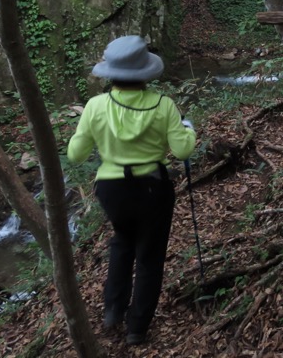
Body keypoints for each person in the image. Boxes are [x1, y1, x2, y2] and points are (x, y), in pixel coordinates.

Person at [67, 35, 196, 346]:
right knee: (149, 257)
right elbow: (182, 150)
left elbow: (76, 155)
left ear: (111, 73)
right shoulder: (164, 105)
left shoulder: (96, 106)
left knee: (122, 241)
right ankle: (137, 327)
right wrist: (188, 129)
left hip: (112, 191)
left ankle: (113, 309)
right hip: (153, 188)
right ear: (145, 73)